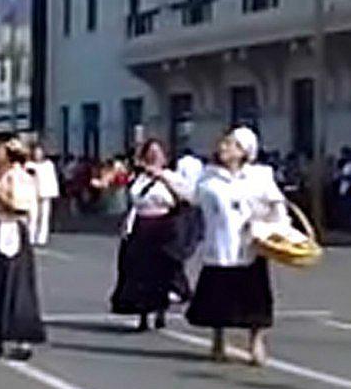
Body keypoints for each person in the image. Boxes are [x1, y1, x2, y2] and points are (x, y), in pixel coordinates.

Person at [186, 127, 286, 367]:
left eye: (231, 144)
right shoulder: (208, 177)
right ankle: (218, 340)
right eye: (223, 143)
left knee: (255, 297)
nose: (223, 147)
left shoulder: (260, 176)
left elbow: (277, 206)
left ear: (244, 152)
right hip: (219, 246)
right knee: (217, 297)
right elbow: (192, 200)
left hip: (250, 245)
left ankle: (256, 342)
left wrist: (273, 227)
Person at [111, 139, 195, 332]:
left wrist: (163, 178)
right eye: (150, 153)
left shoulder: (172, 177)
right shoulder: (139, 179)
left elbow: (187, 197)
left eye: (157, 153)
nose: (153, 156)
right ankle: (142, 314)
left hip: (163, 226)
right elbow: (134, 200)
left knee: (162, 271)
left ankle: (160, 311)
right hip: (141, 225)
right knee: (139, 271)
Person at [0, 135, 46, 360]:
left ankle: (21, 336)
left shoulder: (20, 177)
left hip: (11, 229)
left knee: (15, 285)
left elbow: (20, 206)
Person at [27, 144, 60, 247]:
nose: (38, 154)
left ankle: (42, 238)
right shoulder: (30, 165)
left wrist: (52, 192)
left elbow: (51, 179)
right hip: (32, 193)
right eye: (36, 152)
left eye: (40, 152)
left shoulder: (48, 165)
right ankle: (31, 237)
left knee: (44, 216)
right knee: (33, 216)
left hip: (46, 193)